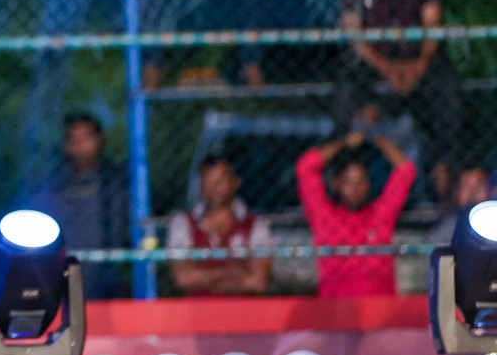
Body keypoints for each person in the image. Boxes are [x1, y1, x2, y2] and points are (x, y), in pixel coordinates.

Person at [332, 0, 460, 199]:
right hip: (373, 60)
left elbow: (432, 23)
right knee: (345, 90)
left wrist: (420, 63)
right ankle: (343, 170)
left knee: (446, 87)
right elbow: (354, 34)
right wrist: (387, 68)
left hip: (415, 57)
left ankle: (444, 171)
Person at [22, 113, 129, 301]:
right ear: (65, 146)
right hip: (63, 277)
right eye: (74, 140)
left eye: (87, 138)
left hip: (111, 279)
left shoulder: (120, 184)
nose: (81, 146)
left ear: (101, 141)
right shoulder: (53, 189)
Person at [296, 134, 416, 297]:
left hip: (379, 309)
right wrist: (343, 142)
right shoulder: (323, 215)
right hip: (335, 310)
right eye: (348, 182)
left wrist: (376, 137)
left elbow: (406, 170)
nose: (355, 188)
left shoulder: (380, 214)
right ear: (335, 183)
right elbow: (306, 167)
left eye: (361, 181)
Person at [166, 155, 271, 296]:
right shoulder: (182, 223)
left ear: (235, 182)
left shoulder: (255, 225)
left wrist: (203, 278)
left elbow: (258, 282)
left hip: (243, 312)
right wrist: (231, 273)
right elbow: (183, 279)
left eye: (220, 181)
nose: (213, 188)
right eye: (207, 182)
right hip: (198, 312)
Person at [430, 167, 492, 246]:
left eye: (478, 186)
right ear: (457, 191)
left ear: (488, 188)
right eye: (466, 186)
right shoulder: (451, 225)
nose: (472, 192)